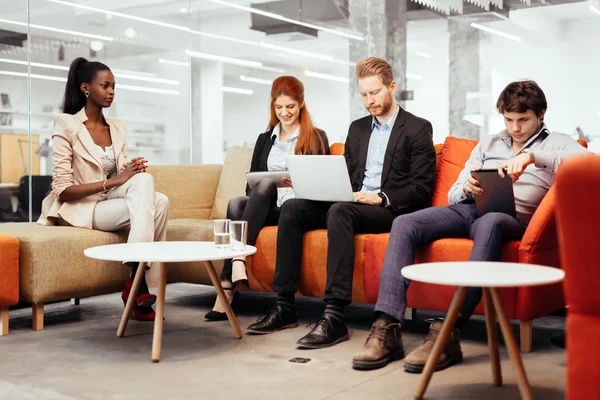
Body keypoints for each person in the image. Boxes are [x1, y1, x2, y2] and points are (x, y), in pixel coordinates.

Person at [352, 80, 589, 372]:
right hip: (467, 210)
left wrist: (532, 157)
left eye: (523, 120)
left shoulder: (557, 142)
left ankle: (449, 331)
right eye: (509, 120)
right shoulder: (489, 142)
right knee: (405, 223)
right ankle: (386, 326)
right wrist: (467, 186)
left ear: (541, 114)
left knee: (490, 222)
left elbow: (590, 163)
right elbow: (453, 195)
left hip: (512, 219)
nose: (515, 128)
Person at [247, 57, 437, 350]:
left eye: (375, 92)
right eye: (363, 94)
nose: (369, 100)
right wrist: (321, 186)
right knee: (294, 208)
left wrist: (381, 196)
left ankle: (334, 316)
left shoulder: (417, 128)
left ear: (392, 87)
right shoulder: (358, 129)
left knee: (340, 211)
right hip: (353, 201)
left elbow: (421, 190)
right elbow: (346, 178)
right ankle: (284, 305)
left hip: (387, 209)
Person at [38, 57, 170, 321]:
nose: (111, 92)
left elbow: (122, 175)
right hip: (82, 207)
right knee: (158, 201)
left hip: (110, 201)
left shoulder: (118, 127)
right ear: (86, 88)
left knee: (155, 193)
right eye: (105, 86)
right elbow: (62, 190)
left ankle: (135, 277)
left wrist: (129, 172)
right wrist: (115, 181)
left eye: (114, 86)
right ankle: (139, 286)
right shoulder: (66, 124)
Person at [205, 76, 330, 321]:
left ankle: (229, 278)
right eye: (279, 107)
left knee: (259, 190)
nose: (285, 113)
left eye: (290, 107)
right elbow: (250, 185)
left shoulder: (316, 136)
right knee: (238, 201)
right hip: (270, 208)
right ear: (273, 106)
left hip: (297, 210)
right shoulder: (265, 139)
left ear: (301, 104)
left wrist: (300, 182)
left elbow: (323, 184)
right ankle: (235, 268)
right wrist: (269, 183)